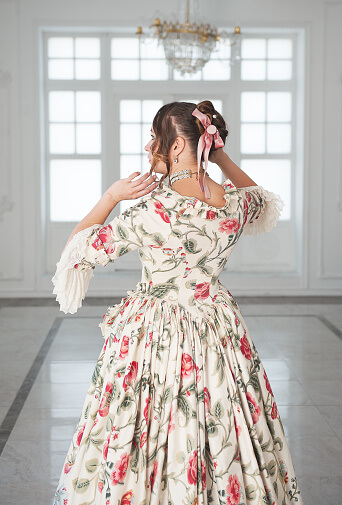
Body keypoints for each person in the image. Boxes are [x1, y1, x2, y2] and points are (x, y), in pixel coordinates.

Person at [51, 101, 304, 505]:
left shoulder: (147, 211)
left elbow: (75, 251)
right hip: (217, 324)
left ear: (174, 147)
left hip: (154, 329)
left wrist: (111, 196)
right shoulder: (233, 206)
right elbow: (261, 201)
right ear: (206, 142)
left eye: (155, 136)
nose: (149, 144)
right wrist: (218, 157)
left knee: (143, 419)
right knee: (223, 415)